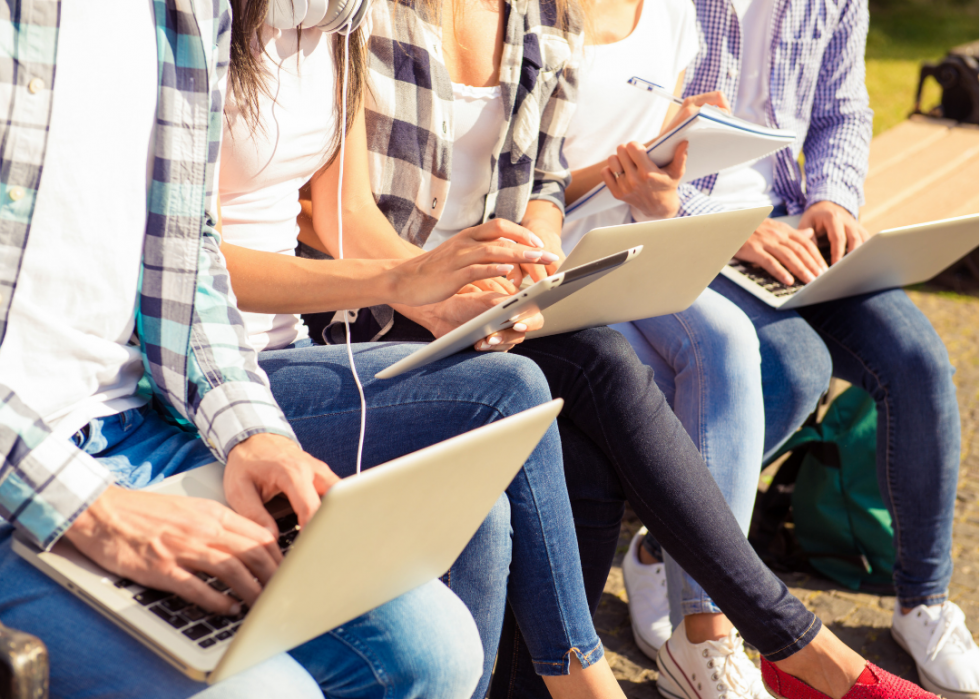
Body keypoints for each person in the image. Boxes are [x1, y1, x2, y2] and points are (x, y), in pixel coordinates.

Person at [295, 1, 945, 698]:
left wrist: (533, 264)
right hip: (380, 311)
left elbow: (540, 181)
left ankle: (765, 639)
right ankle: (797, 648)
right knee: (585, 377)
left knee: (601, 406)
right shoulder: (365, 17)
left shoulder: (533, 16)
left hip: (485, 296)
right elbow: (335, 216)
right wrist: (434, 290)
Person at [0, 0, 491, 696]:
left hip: (138, 432)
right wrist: (94, 509)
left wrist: (254, 435)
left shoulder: (193, 14)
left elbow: (187, 261)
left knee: (436, 649)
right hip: (23, 475)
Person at [216, 4, 629, 698]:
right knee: (512, 390)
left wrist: (443, 303)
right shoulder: (203, 31)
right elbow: (183, 263)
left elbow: (343, 213)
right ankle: (584, 680)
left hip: (285, 352)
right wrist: (402, 279)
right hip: (219, 369)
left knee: (485, 506)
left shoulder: (339, 25)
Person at [672, 1, 979, 698]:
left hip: (794, 229)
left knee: (919, 359)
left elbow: (844, 113)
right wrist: (729, 228)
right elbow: (636, 131)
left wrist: (832, 200)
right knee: (793, 367)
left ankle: (923, 604)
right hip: (693, 231)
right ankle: (668, 539)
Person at [559, 3, 769, 696]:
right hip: (555, 258)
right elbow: (503, 179)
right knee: (645, 376)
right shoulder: (535, 15)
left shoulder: (675, 13)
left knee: (732, 339)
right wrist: (609, 176)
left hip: (636, 246)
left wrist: (679, 147)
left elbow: (659, 169)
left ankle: (704, 631)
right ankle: (700, 625)